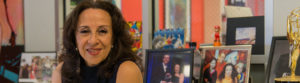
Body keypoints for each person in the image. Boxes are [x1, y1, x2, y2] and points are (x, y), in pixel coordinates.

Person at [51, 0, 143, 83]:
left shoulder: (126, 71)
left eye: (102, 31)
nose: (93, 41)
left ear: (114, 37)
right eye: (85, 31)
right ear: (73, 37)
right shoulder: (61, 73)